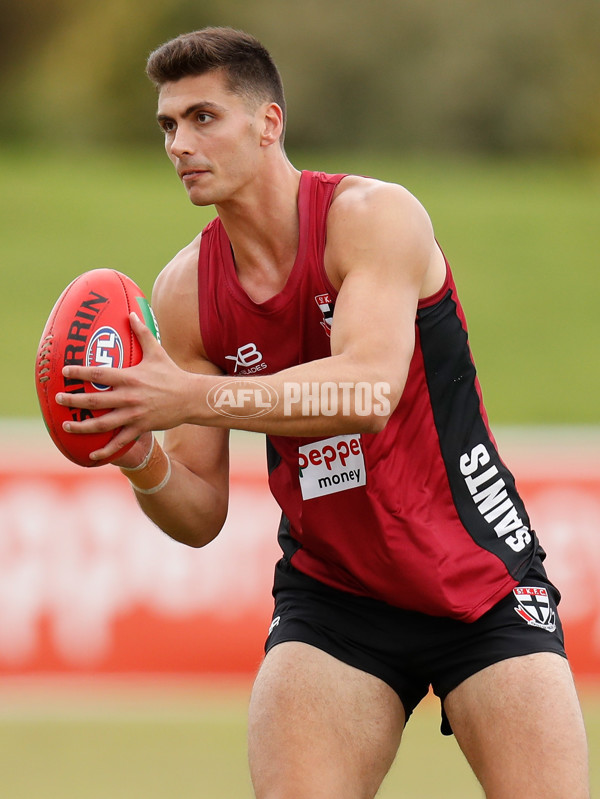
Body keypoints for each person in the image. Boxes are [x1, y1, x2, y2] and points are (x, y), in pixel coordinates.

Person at [56, 27, 589, 799]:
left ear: (269, 123)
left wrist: (189, 396)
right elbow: (200, 511)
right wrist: (140, 454)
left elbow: (367, 393)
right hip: (334, 596)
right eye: (168, 124)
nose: (179, 143)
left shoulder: (373, 218)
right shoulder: (182, 292)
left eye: (203, 117)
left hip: (479, 579)